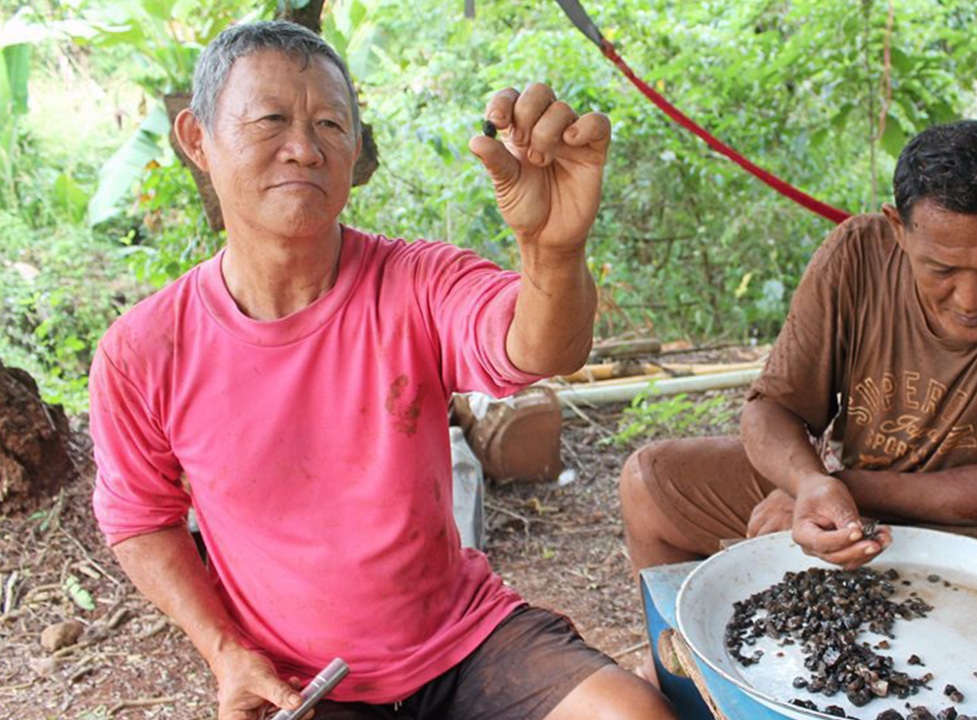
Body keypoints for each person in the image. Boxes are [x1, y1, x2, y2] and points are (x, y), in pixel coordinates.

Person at [89, 20, 673, 720]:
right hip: (298, 679)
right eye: (272, 119)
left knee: (630, 713)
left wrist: (552, 251)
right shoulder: (145, 349)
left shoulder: (413, 281)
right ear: (196, 139)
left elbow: (538, 348)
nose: (304, 149)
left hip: (464, 640)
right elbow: (139, 519)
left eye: (332, 125)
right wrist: (225, 652)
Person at [621, 120, 977, 576]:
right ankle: (678, 666)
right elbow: (772, 408)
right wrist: (809, 484)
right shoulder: (856, 253)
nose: (971, 299)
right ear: (898, 229)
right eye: (941, 269)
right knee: (648, 484)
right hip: (839, 493)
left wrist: (837, 488)